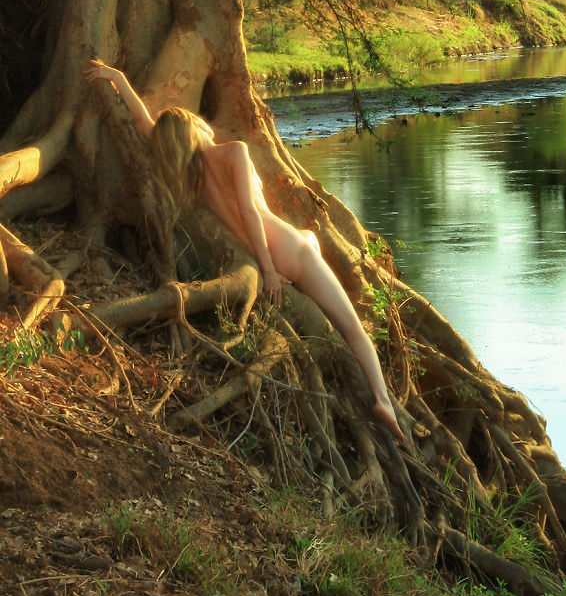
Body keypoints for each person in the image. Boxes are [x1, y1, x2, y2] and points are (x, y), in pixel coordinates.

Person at [83, 59, 405, 445]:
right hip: (284, 251)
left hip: (281, 249)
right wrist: (269, 270)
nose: (206, 122)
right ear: (195, 128)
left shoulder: (191, 174)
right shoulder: (232, 151)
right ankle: (383, 399)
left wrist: (117, 78)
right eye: (199, 120)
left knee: (310, 235)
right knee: (352, 327)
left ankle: (312, 240)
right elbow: (252, 212)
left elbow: (146, 124)